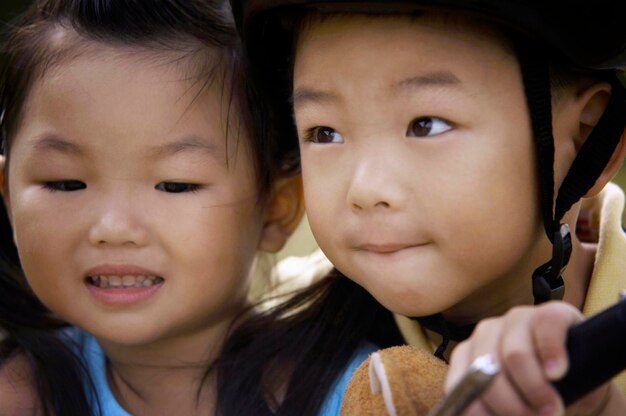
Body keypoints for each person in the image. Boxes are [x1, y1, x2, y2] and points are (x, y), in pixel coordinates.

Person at [0, 1, 401, 415]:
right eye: (66, 183)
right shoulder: (19, 397)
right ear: (8, 196)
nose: (113, 227)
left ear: (276, 209)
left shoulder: (359, 393)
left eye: (175, 184)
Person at [232, 0, 626, 414]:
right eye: (325, 132)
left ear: (585, 141)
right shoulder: (272, 327)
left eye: (426, 125)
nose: (365, 188)